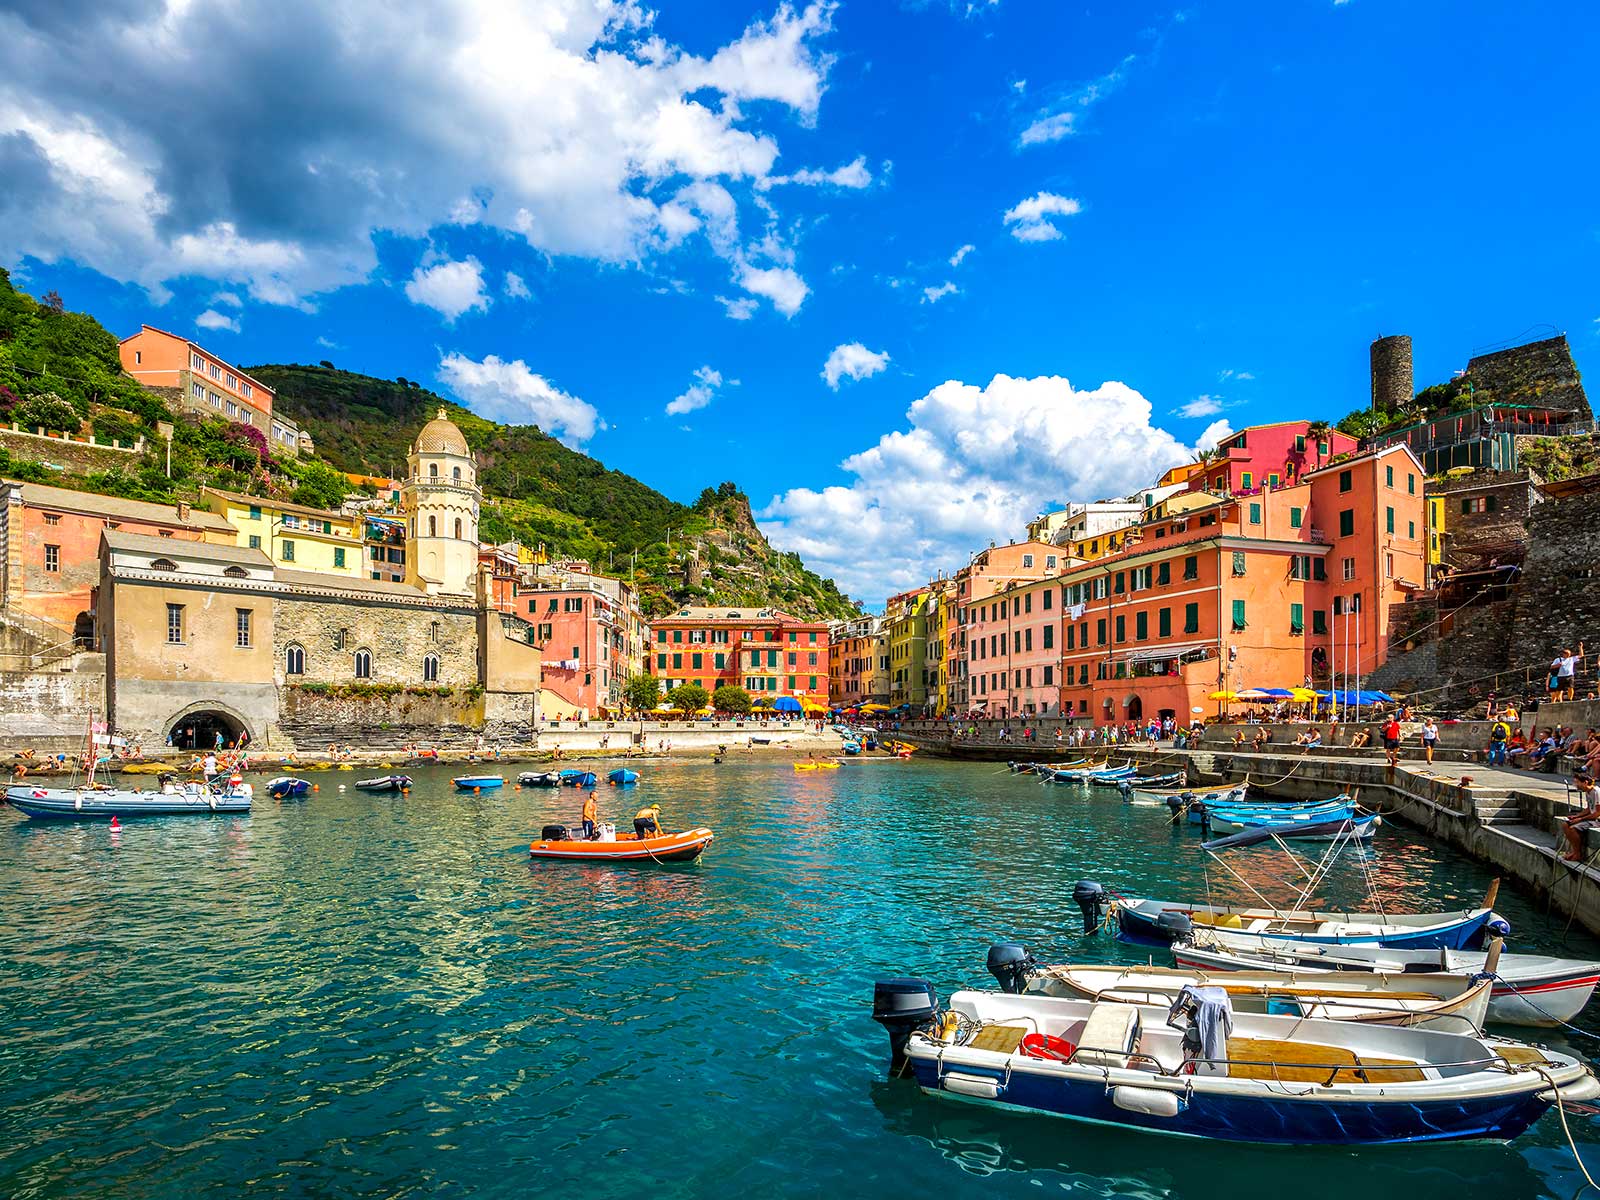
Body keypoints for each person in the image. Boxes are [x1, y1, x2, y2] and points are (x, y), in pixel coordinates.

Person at [1562, 771, 1600, 862]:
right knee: (1565, 825)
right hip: (1591, 818)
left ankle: (1578, 854)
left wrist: (1580, 819)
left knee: (1573, 828)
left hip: (1597, 820)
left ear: (1585, 782)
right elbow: (1589, 809)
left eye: (1577, 782)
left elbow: (1598, 813)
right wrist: (1576, 816)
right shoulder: (1588, 792)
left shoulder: (1597, 792)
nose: (1575, 785)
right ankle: (1574, 851)